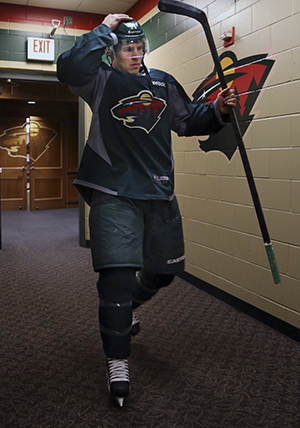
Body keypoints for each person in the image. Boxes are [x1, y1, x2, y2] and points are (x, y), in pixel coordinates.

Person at [57, 13, 236, 407]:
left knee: (164, 271)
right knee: (117, 279)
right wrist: (102, 28)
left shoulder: (163, 83)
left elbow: (188, 122)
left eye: (139, 48)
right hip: (114, 190)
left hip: (159, 193)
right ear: (112, 51)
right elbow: (67, 67)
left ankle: (130, 307)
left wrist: (219, 111)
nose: (134, 54)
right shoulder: (99, 80)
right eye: (126, 48)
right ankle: (118, 361)